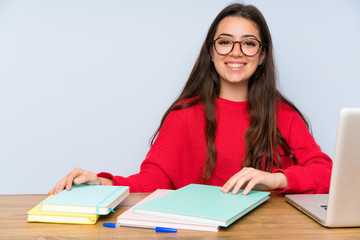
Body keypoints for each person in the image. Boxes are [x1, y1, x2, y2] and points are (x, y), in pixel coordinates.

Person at [49, 3, 332, 196]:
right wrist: (100, 183)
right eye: (224, 41)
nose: (236, 52)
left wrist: (276, 179)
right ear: (211, 52)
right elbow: (153, 181)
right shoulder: (184, 115)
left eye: (248, 43)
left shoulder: (283, 115)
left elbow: (329, 175)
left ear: (262, 56)